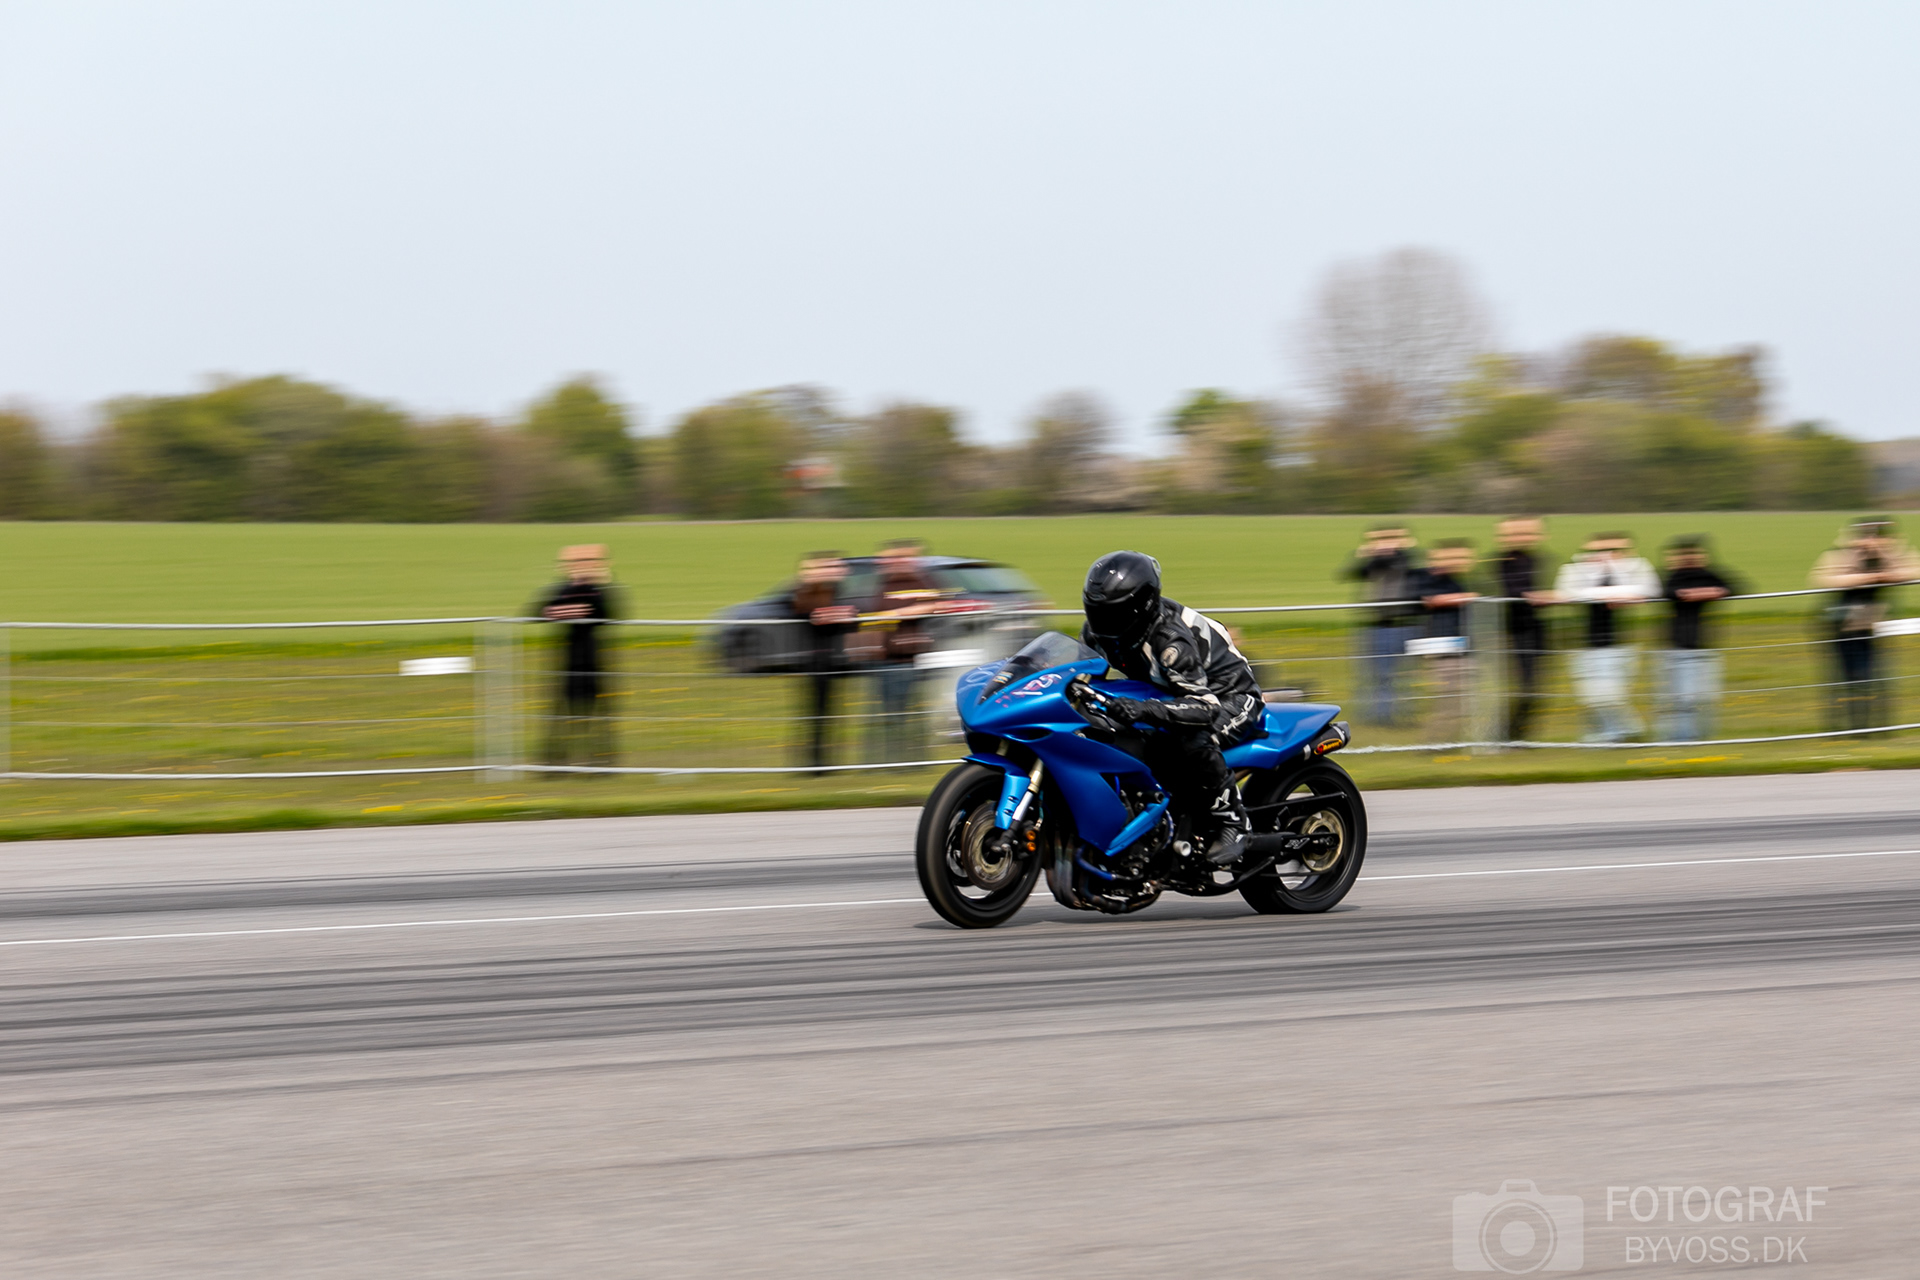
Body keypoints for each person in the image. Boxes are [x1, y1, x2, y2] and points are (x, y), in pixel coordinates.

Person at [1076, 550, 1264, 865]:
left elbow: (1204, 709)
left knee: (1191, 739)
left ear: (1141, 607)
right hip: (1169, 693)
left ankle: (1234, 821)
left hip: (1228, 697)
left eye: (1113, 614)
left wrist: (1143, 709)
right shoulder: (1097, 633)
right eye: (1097, 612)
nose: (1102, 623)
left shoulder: (1170, 641)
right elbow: (1078, 680)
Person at [1810, 518, 1920, 731]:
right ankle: (1847, 728)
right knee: (1847, 678)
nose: (1872, 541)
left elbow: (1913, 571)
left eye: (1878, 536)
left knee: (1872, 677)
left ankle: (1872, 728)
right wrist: (1869, 575)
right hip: (1841, 626)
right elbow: (1826, 579)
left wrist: (1888, 555)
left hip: (1871, 626)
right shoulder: (1842, 554)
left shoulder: (1886, 556)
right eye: (1868, 535)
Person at [1554, 532, 1658, 743]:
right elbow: (1566, 592)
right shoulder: (1575, 571)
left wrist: (1625, 594)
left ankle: (1619, 732)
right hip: (1585, 645)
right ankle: (1617, 732)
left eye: (1615, 551)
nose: (1605, 556)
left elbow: (1650, 589)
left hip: (1619, 644)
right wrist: (1610, 594)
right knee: (1590, 696)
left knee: (1609, 694)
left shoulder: (1636, 569)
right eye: (1598, 551)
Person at [532, 544, 619, 767]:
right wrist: (570, 610)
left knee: (598, 716)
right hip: (568, 661)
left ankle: (601, 764)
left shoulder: (602, 590)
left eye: (587, 562)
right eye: (576, 563)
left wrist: (563, 611)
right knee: (561, 715)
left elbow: (607, 614)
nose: (581, 567)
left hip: (594, 660)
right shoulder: (561, 589)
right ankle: (554, 765)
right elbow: (536, 612)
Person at [861, 538, 945, 762]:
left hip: (912, 658)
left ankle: (913, 760)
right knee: (891, 713)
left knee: (912, 714)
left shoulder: (923, 581)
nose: (897, 562)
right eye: (892, 558)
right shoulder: (884, 584)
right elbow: (877, 613)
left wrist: (902, 612)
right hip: (886, 658)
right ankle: (892, 759)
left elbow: (938, 603)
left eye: (904, 557)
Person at [1657, 537, 1738, 741]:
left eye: (1694, 555)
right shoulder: (1672, 576)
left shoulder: (1707, 574)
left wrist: (1702, 592)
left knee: (1705, 697)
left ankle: (1698, 735)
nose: (1690, 560)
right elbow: (1671, 592)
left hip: (1704, 645)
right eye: (1685, 556)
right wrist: (1710, 592)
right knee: (1684, 696)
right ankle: (1681, 737)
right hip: (1677, 646)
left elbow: (1734, 586)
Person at [1341, 525, 1423, 726]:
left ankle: (1398, 713)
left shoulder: (1408, 559)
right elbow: (1351, 573)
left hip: (1405, 624)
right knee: (1377, 673)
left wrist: (1388, 552)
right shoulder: (1373, 563)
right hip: (1378, 625)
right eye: (1380, 540)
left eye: (1391, 539)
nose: (1386, 544)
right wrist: (1366, 557)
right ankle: (1379, 715)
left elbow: (1405, 565)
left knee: (1402, 673)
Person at [787, 551, 858, 773]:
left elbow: (851, 618)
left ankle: (827, 761)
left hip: (835, 659)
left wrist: (842, 616)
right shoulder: (803, 591)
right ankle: (814, 764)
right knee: (815, 714)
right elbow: (803, 614)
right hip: (814, 660)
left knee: (832, 714)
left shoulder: (836, 591)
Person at [1490, 517, 1555, 741]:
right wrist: (1534, 596)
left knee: (1538, 688)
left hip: (1536, 630)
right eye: (1516, 534)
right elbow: (1512, 589)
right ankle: (1506, 735)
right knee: (1527, 687)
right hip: (1514, 631)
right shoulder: (1502, 561)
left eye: (1528, 533)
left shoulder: (1538, 559)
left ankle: (1517, 736)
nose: (1523, 538)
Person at [1417, 538, 1480, 745]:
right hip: (1444, 649)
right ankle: (1435, 743)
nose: (1460, 561)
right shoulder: (1429, 577)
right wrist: (1468, 596)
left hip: (1461, 648)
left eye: (1464, 557)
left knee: (1461, 700)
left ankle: (1448, 742)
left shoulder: (1457, 580)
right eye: (1454, 557)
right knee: (1450, 700)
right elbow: (1432, 600)